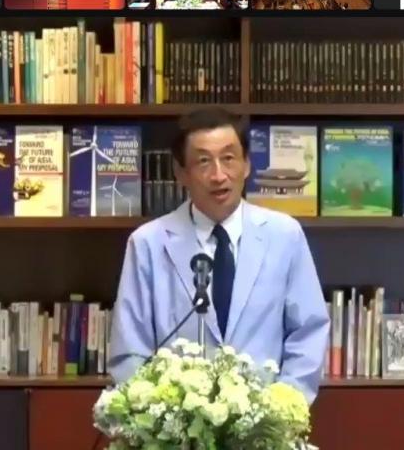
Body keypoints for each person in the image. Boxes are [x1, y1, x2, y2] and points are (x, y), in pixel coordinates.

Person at [108, 107, 330, 405]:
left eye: (228, 158)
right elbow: (130, 350)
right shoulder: (148, 243)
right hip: (176, 423)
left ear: (246, 165)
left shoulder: (284, 235)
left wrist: (280, 410)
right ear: (180, 173)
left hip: (265, 421)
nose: (218, 175)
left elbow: (309, 332)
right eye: (203, 161)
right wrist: (159, 416)